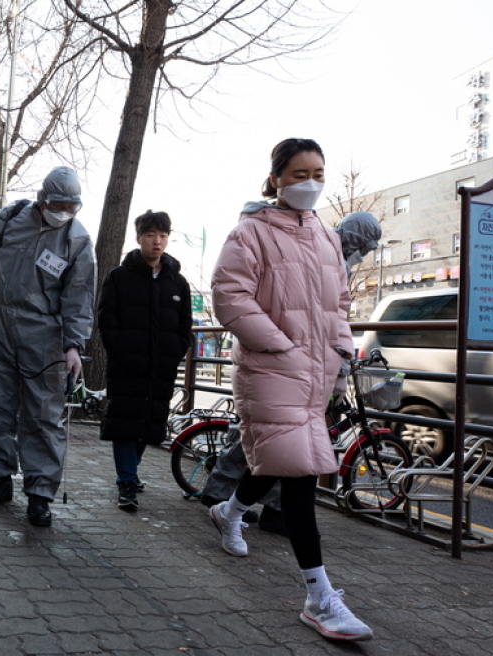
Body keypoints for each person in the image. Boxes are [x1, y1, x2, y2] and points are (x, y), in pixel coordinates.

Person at [208, 138, 373, 641]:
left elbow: (339, 301)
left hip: (314, 374)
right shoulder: (251, 231)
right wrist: (280, 345)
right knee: (299, 474)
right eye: (299, 173)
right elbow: (228, 294)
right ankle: (320, 598)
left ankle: (229, 510)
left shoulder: (325, 237)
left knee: (278, 462)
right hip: (271, 370)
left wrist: (341, 345)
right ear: (276, 177)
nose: (311, 183)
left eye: (318, 173)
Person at [199, 210, 383, 530]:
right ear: (356, 242)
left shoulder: (321, 251)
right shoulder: (326, 257)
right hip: (288, 364)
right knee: (274, 440)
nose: (365, 256)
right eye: (365, 248)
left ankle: (240, 501)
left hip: (287, 360)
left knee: (271, 438)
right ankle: (249, 505)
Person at [0, 166, 96, 528]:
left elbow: (79, 296)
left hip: (46, 335)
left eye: (70, 206)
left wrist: (73, 345)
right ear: (42, 199)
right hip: (1, 327)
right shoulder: (10, 218)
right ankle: (0, 479)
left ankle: (40, 494)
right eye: (56, 203)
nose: (62, 211)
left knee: (43, 415)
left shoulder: (77, 240)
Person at [96, 210, 192, 512]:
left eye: (162, 235)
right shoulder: (119, 277)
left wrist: (175, 350)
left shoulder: (178, 282)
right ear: (138, 238)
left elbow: (184, 326)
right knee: (125, 422)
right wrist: (121, 349)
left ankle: (131, 472)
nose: (157, 241)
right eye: (150, 235)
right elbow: (106, 319)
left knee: (148, 422)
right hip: (127, 366)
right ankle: (126, 480)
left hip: (160, 367)